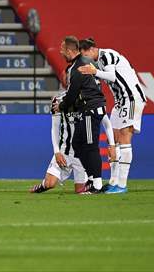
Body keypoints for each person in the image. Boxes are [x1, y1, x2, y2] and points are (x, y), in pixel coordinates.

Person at [78, 38, 147, 194]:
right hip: (120, 101)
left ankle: (122, 185)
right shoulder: (98, 62)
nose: (85, 58)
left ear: (91, 49)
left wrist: (94, 71)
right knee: (114, 140)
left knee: (124, 138)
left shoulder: (107, 55)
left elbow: (112, 77)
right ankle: (113, 181)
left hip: (131, 98)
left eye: (84, 54)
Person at [52, 36, 106, 195]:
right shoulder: (85, 62)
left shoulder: (77, 68)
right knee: (77, 143)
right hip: (88, 108)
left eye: (62, 50)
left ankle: (96, 184)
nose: (61, 53)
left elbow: (72, 94)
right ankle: (91, 179)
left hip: (91, 109)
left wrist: (61, 106)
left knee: (90, 146)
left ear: (69, 51)